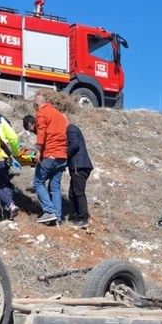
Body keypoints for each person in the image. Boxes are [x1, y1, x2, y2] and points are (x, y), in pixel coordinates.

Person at [30, 93, 68, 225]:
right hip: (62, 155)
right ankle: (57, 217)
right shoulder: (59, 115)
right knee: (55, 187)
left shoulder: (42, 113)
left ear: (36, 104)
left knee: (38, 182)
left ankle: (49, 211)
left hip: (50, 153)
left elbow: (42, 132)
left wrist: (38, 150)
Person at [64, 121, 94, 228]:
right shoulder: (71, 129)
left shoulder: (71, 129)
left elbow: (74, 145)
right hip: (78, 166)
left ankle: (83, 218)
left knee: (79, 193)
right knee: (72, 193)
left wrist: (64, 156)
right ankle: (78, 216)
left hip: (79, 166)